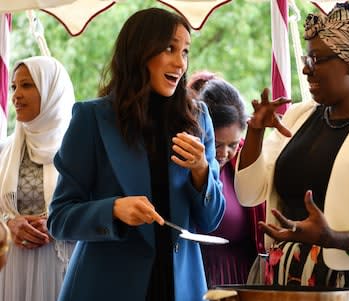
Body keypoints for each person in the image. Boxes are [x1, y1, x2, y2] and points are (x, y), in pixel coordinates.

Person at [234, 3, 349, 301]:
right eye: (305, 58)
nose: (306, 69)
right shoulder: (298, 116)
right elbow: (248, 194)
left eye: (317, 59)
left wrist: (336, 239)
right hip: (288, 276)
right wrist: (255, 133)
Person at [46, 8, 225, 301]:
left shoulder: (198, 117)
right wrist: (113, 209)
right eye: (169, 48)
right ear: (139, 51)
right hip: (106, 287)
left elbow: (210, 220)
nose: (180, 63)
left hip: (180, 288)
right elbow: (60, 219)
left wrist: (201, 169)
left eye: (185, 52)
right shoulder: (91, 118)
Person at [0, 56, 76, 301]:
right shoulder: (5, 151)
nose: (16, 95)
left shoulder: (79, 148)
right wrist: (8, 225)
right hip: (13, 269)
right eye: (14, 86)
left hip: (63, 265)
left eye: (27, 85)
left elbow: (100, 210)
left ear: (52, 90)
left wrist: (57, 224)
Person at [188, 74, 266, 287]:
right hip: (192, 278)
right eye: (217, 144)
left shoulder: (246, 168)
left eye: (232, 144)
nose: (224, 153)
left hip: (240, 283)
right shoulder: (184, 163)